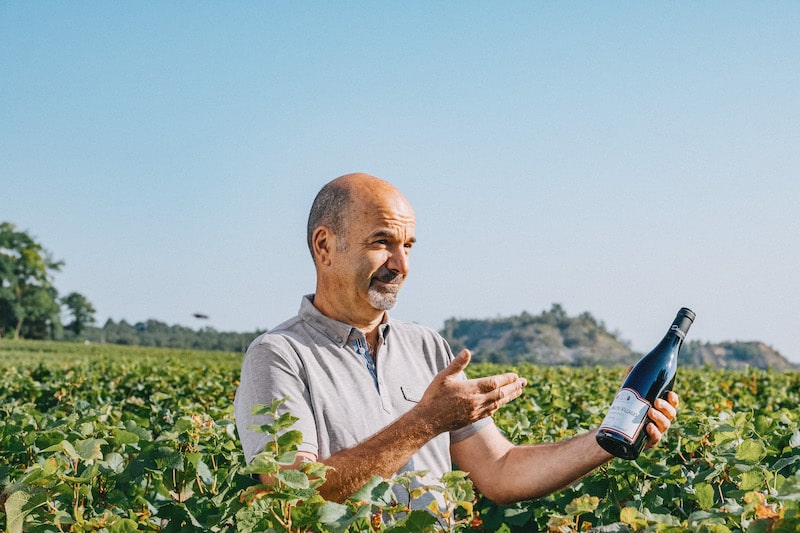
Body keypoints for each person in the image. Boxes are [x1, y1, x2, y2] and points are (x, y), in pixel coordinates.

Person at [234, 172, 678, 508]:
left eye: (409, 245)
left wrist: (606, 439)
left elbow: (500, 471)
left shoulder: (427, 346)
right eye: (383, 242)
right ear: (325, 247)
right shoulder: (277, 357)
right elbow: (297, 494)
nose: (401, 263)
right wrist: (426, 422)